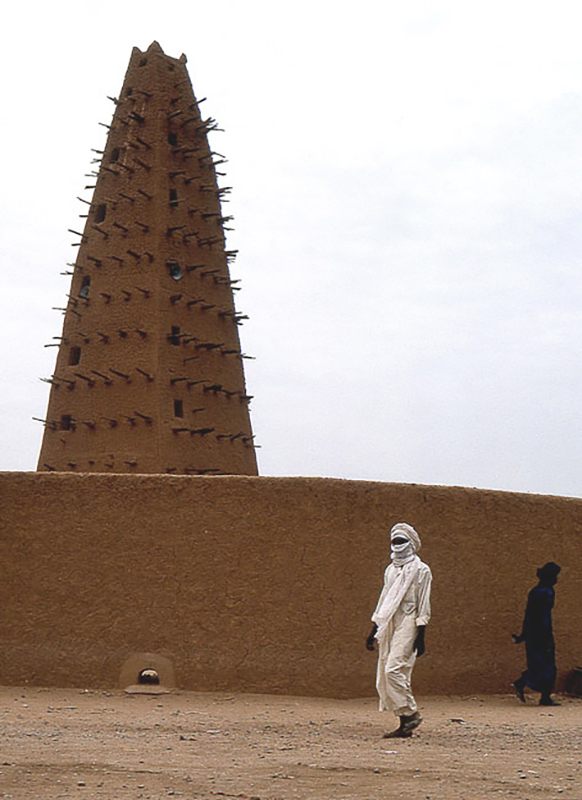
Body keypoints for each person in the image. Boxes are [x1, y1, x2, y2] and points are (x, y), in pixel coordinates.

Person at [366, 522, 432, 738]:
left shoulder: (422, 570)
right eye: (394, 541)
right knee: (386, 671)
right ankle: (405, 721)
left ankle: (411, 713)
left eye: (401, 541)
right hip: (389, 622)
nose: (397, 545)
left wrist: (421, 635)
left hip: (410, 622)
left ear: (411, 543)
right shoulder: (391, 570)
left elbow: (424, 603)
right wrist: (373, 629)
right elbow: (384, 599)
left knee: (394, 669)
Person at [512, 561, 561, 706]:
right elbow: (542, 617)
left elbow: (529, 615)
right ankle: (542, 695)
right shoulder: (546, 592)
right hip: (542, 634)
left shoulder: (535, 591)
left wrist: (523, 635)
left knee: (538, 664)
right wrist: (545, 636)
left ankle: (524, 683)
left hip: (533, 634)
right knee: (548, 666)